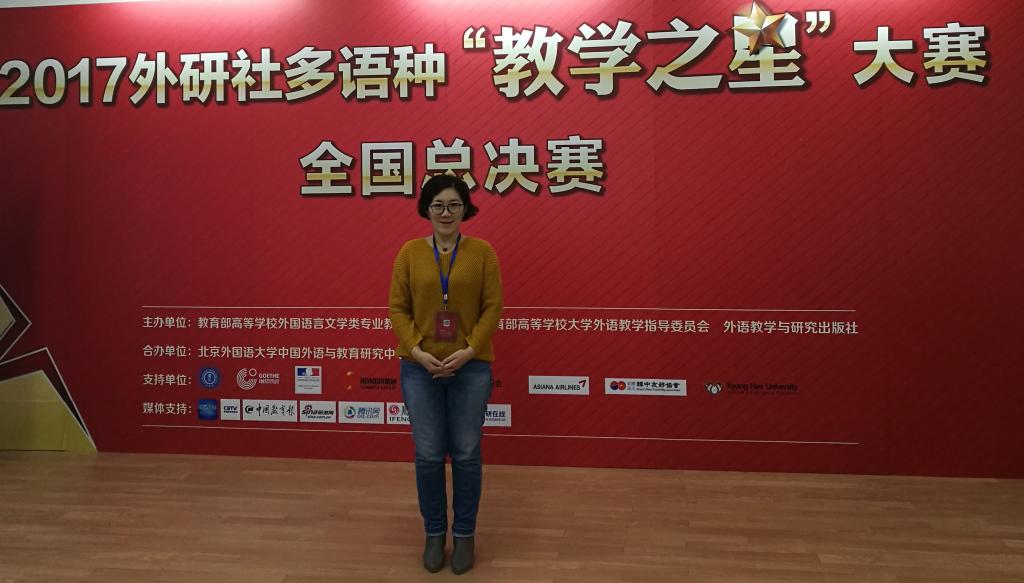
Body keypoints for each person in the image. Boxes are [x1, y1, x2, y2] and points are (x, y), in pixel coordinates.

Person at [388, 173, 503, 574]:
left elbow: (493, 307)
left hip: (470, 367)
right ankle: (435, 534)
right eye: (438, 205)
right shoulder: (409, 253)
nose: (446, 212)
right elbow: (397, 308)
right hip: (419, 368)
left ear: (465, 209)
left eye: (454, 205)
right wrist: (417, 352)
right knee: (428, 455)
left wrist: (469, 350)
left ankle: (465, 534)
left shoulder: (483, 252)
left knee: (467, 453)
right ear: (426, 209)